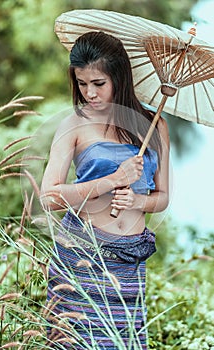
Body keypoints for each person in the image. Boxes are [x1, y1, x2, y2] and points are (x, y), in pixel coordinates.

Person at [40, 31, 169, 350]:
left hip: (128, 263)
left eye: (98, 83)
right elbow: (49, 196)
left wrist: (138, 198)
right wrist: (111, 180)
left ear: (119, 77)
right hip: (82, 255)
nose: (89, 93)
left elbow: (162, 198)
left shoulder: (155, 125)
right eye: (82, 83)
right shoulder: (74, 124)